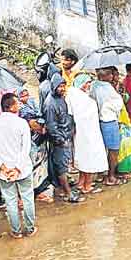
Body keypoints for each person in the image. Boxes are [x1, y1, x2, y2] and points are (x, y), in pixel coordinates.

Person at [0, 92, 38, 236]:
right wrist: (17, 168)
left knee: (10, 201)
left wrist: (1, 167)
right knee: (27, 198)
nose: (20, 105)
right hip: (22, 169)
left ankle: (16, 231)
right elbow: (26, 148)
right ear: (11, 106)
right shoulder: (21, 123)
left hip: (4, 172)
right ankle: (30, 228)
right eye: (17, 103)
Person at [41, 74, 81, 202]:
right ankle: (68, 193)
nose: (63, 89)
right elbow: (51, 126)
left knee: (62, 165)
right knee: (61, 168)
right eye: (60, 86)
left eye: (64, 86)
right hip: (60, 140)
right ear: (54, 87)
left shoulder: (60, 98)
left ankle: (62, 189)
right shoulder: (50, 104)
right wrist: (61, 140)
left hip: (65, 135)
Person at [68, 73, 109, 188]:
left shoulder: (74, 95)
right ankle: (87, 185)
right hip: (88, 133)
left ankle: (81, 182)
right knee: (90, 157)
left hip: (81, 132)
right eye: (87, 82)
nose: (89, 85)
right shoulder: (82, 98)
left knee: (82, 157)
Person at [92, 68, 128, 184]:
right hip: (109, 120)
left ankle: (100, 175)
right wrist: (118, 93)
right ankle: (111, 177)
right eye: (110, 74)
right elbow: (118, 105)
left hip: (99, 120)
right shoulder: (107, 88)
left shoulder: (94, 86)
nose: (112, 76)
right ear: (104, 76)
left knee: (102, 149)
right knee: (113, 150)